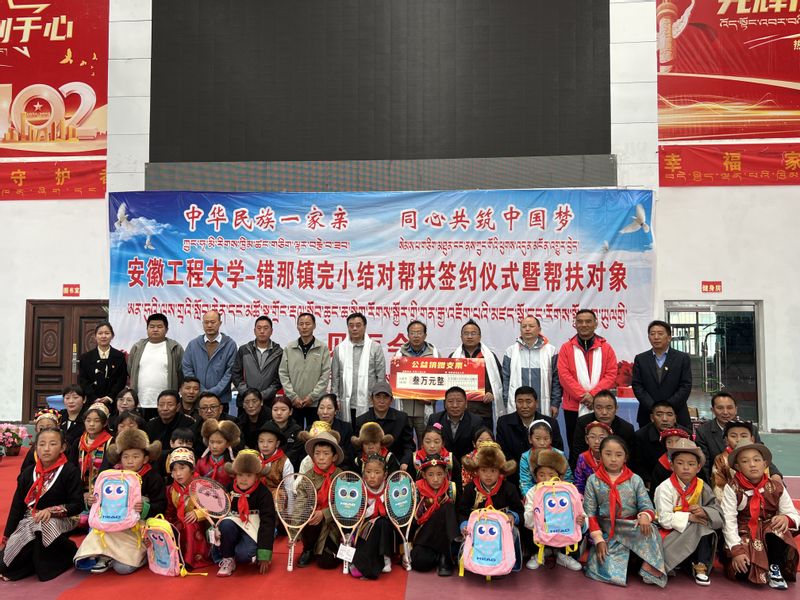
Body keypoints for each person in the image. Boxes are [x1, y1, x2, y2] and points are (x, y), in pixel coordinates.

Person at [73, 429, 165, 574]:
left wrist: (145, 508)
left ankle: (130, 555)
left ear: (145, 459)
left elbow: (161, 505)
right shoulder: (111, 476)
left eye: (136, 456)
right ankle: (106, 555)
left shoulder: (153, 477)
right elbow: (100, 499)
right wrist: (92, 501)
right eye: (125, 456)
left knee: (122, 568)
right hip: (110, 524)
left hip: (136, 528)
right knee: (98, 528)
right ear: (120, 458)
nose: (130, 461)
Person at [583, 436, 667, 587]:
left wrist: (645, 516)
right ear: (600, 455)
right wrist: (599, 540)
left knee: (651, 530)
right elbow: (590, 513)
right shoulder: (593, 480)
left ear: (625, 457)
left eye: (618, 454)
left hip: (630, 526)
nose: (613, 459)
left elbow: (647, 506)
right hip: (608, 529)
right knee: (605, 569)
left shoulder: (635, 480)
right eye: (608, 454)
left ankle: (649, 569)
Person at [0, 429, 83, 581]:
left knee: (42, 527)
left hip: (63, 518)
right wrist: (7, 536)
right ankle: (31, 563)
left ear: (63, 447)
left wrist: (52, 511)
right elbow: (17, 506)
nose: (46, 449)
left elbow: (77, 505)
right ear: (35, 447)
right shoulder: (28, 473)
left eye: (53, 444)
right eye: (42, 444)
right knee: (8, 557)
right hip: (32, 518)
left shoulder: (70, 471)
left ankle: (54, 561)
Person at [721, 442, 799, 589]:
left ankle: (775, 566)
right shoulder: (732, 488)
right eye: (745, 461)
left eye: (756, 460)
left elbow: (793, 513)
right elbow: (728, 520)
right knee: (742, 572)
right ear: (737, 466)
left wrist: (786, 518)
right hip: (744, 531)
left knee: (778, 526)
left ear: (765, 464)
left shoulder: (776, 487)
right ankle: (758, 564)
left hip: (768, 530)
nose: (752, 465)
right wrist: (737, 551)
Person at [654, 439, 722, 586]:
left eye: (691, 464)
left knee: (703, 525)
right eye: (680, 463)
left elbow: (716, 510)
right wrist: (690, 517)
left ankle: (700, 566)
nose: (686, 468)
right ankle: (685, 563)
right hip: (670, 532)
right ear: (672, 465)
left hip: (695, 529)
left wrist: (704, 511)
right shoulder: (664, 488)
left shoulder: (702, 486)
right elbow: (664, 519)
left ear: (698, 467)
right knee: (699, 526)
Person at [458, 441, 524, 570]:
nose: (488, 475)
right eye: (484, 470)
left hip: (502, 532)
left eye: (493, 471)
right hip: (478, 530)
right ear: (477, 471)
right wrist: (464, 525)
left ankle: (507, 564)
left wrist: (513, 516)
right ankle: (472, 562)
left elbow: (519, 510)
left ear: (500, 472)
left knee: (514, 531)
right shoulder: (471, 489)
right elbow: (462, 511)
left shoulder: (509, 488)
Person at [557, 309, 618, 445]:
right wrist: (584, 396)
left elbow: (611, 374)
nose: (584, 325)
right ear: (575, 324)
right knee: (575, 444)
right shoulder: (566, 348)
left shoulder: (606, 348)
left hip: (600, 407)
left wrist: (593, 395)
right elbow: (564, 375)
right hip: (573, 407)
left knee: (601, 444)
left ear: (596, 324)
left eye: (588, 321)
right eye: (580, 321)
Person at [215, 450, 276, 577]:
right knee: (226, 524)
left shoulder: (264, 494)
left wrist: (264, 553)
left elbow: (267, 522)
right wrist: (215, 527)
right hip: (232, 526)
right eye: (240, 474)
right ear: (235, 475)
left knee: (244, 555)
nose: (243, 479)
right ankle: (228, 558)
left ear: (257, 476)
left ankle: (247, 550)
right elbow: (219, 510)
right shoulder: (229, 489)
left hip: (254, 528)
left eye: (249, 475)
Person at [523, 449, 584, 571]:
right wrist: (536, 511)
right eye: (542, 475)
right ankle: (539, 553)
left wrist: (581, 520)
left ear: (559, 477)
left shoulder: (568, 491)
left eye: (551, 475)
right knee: (526, 526)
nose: (546, 479)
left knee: (577, 526)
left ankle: (564, 554)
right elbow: (527, 522)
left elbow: (580, 512)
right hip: (541, 532)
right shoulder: (532, 492)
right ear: (536, 477)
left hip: (562, 532)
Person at [496, 386, 562, 486]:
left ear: (536, 403)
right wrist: (523, 472)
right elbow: (502, 453)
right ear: (515, 403)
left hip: (546, 478)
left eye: (528, 401)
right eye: (520, 401)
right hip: (513, 477)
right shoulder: (504, 423)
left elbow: (557, 452)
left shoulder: (551, 423)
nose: (524, 406)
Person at [297, 431, 345, 569]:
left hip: (333, 525)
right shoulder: (307, 477)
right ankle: (308, 548)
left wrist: (324, 513)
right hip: (312, 523)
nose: (321, 458)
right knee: (310, 514)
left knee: (326, 562)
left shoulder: (341, 476)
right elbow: (300, 503)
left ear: (334, 457)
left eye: (326, 453)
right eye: (317, 453)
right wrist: (294, 531)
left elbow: (345, 505)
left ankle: (328, 548)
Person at [631, 320, 693, 428]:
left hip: (677, 414)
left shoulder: (682, 358)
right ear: (649, 337)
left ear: (669, 337)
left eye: (660, 333)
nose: (656, 337)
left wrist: (668, 407)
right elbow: (637, 386)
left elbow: (685, 386)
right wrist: (654, 408)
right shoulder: (641, 359)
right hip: (648, 415)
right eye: (652, 334)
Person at [695, 392, 767, 480]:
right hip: (718, 479)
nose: (725, 412)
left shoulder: (750, 429)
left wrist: (776, 474)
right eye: (720, 408)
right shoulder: (703, 431)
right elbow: (704, 466)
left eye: (729, 408)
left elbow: (762, 454)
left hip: (751, 480)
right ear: (712, 410)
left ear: (736, 409)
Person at [278, 312, 332, 430]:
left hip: (315, 403)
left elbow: (325, 375)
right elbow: (283, 373)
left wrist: (312, 397)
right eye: (301, 324)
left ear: (314, 326)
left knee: (315, 434)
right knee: (294, 435)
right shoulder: (289, 348)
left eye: (308, 324)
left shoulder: (322, 348)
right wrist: (293, 397)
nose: (304, 327)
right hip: (294, 403)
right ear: (297, 326)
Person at [331, 312, 386, 424]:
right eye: (351, 326)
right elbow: (335, 377)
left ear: (365, 327)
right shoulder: (339, 349)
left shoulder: (375, 348)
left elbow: (380, 377)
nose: (354, 328)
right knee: (347, 432)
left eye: (358, 325)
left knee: (367, 433)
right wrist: (335, 399)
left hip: (369, 403)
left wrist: (379, 398)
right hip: (346, 403)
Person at [502, 315, 561, 418]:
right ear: (520, 330)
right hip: (518, 406)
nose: (527, 329)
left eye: (531, 326)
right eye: (524, 326)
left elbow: (556, 380)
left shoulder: (551, 351)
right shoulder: (511, 351)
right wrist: (507, 401)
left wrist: (555, 403)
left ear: (539, 329)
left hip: (543, 405)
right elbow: (505, 379)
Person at [127, 313, 184, 419]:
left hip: (166, 405)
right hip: (140, 402)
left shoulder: (175, 348)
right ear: (147, 329)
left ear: (166, 329)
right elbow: (130, 370)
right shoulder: (137, 347)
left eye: (159, 326)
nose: (155, 329)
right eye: (152, 326)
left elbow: (181, 372)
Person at [450, 319, 504, 429]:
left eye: (473, 333)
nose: (469, 337)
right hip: (459, 412)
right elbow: (447, 382)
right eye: (466, 333)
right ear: (461, 337)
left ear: (480, 337)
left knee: (484, 439)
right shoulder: (453, 357)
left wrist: (492, 393)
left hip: (483, 411)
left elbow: (500, 380)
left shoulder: (489, 357)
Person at [411, 454, 459, 576]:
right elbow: (412, 518)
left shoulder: (450, 488)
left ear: (445, 474)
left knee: (448, 507)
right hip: (424, 532)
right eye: (431, 475)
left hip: (445, 534)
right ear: (424, 475)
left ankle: (445, 556)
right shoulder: (416, 488)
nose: (436, 479)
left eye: (439, 474)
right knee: (420, 562)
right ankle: (440, 555)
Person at [349, 454, 396, 579]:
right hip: (363, 531)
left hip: (385, 531)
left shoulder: (390, 488)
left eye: (377, 472)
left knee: (382, 522)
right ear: (363, 473)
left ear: (385, 475)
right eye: (368, 472)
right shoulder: (358, 488)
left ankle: (386, 557)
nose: (372, 476)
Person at [712, 420, 781, 504]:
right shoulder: (721, 459)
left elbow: (767, 481)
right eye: (733, 436)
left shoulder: (760, 456)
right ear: (726, 440)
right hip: (733, 501)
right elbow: (719, 487)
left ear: (752, 439)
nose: (738, 440)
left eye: (744, 436)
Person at [394, 320, 440, 443]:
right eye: (412, 333)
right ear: (408, 335)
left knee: (426, 442)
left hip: (424, 409)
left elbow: (440, 381)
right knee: (404, 443)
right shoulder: (399, 355)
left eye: (419, 333)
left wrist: (431, 399)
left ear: (425, 335)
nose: (416, 336)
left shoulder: (434, 355)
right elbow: (395, 379)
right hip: (405, 408)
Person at [165, 447, 211, 569]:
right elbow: (170, 511)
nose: (178, 473)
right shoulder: (171, 490)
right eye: (174, 470)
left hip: (202, 523)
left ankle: (192, 559)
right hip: (181, 521)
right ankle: (177, 557)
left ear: (192, 469)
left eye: (182, 468)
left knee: (189, 524)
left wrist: (198, 513)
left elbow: (215, 508)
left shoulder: (202, 485)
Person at [182, 310, 237, 412]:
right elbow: (187, 369)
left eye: (213, 322)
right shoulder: (193, 345)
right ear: (202, 324)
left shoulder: (230, 345)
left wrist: (214, 392)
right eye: (206, 322)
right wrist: (200, 390)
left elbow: (230, 372)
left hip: (221, 400)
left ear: (220, 323)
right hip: (197, 399)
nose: (209, 325)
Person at [354, 381, 415, 471]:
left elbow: (408, 446)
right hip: (369, 466)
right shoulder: (361, 421)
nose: (381, 401)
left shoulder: (402, 418)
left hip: (396, 465)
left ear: (391, 400)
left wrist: (404, 462)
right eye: (378, 397)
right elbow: (357, 449)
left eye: (385, 397)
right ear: (371, 399)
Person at [69, 403, 113, 524]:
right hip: (80, 492)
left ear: (104, 423)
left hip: (101, 493)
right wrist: (80, 493)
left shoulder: (110, 442)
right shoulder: (79, 442)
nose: (91, 424)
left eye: (96, 421)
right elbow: (72, 467)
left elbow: (108, 470)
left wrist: (94, 493)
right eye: (88, 420)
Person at [569, 390, 636, 468]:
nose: (604, 412)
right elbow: (577, 453)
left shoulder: (626, 429)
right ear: (593, 408)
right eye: (599, 408)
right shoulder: (583, 423)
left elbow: (629, 460)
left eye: (609, 408)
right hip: (588, 469)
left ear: (616, 408)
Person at [631, 401, 690, 488]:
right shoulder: (641, 436)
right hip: (652, 482)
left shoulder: (686, 434)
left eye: (669, 414)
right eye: (659, 414)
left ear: (675, 418)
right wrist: (649, 482)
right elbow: (637, 465)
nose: (665, 419)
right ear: (652, 417)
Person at [232, 316, 283, 412]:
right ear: (254, 331)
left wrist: (262, 395)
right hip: (245, 401)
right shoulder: (244, 350)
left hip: (268, 402)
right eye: (259, 328)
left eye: (266, 328)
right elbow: (236, 374)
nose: (262, 331)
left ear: (271, 331)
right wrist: (248, 394)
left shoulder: (279, 352)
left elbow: (279, 379)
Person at [426, 386, 483, 463]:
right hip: (441, 464)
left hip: (468, 464)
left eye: (459, 401)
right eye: (450, 401)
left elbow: (479, 448)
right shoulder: (435, 419)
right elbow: (428, 443)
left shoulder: (476, 421)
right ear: (445, 404)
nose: (455, 405)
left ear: (466, 404)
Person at [78, 321, 127, 406]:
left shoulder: (119, 356)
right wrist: (93, 398)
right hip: (91, 402)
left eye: (107, 333)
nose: (103, 336)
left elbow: (121, 379)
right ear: (95, 336)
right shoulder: (85, 358)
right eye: (100, 333)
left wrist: (110, 397)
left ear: (112, 336)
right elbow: (83, 381)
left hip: (113, 401)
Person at [519, 420, 572, 495]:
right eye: (537, 439)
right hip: (535, 495)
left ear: (551, 439)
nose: (542, 443)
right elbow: (525, 483)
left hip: (558, 493)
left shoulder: (559, 454)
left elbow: (568, 479)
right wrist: (531, 497)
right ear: (530, 439)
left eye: (546, 439)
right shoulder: (525, 457)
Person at [648, 428, 692, 496]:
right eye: (669, 442)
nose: (673, 445)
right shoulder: (660, 466)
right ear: (665, 445)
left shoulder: (693, 461)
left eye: (678, 441)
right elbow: (655, 491)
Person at [196, 418, 240, 486]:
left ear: (228, 444)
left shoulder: (234, 464)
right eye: (211, 442)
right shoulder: (201, 462)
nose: (214, 446)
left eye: (219, 442)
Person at [316, 393, 355, 469]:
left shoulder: (346, 428)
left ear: (335, 411)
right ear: (317, 411)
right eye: (322, 408)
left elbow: (349, 457)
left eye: (329, 408)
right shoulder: (310, 430)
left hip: (339, 470)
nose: (325, 412)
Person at [19, 409, 63, 474]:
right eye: (41, 428)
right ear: (36, 430)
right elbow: (24, 472)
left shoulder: (62, 447)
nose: (45, 431)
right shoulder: (34, 450)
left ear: (57, 428)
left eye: (49, 427)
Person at [255, 421, 293, 496]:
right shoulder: (255, 459)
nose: (265, 445)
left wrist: (290, 504)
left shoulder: (285, 462)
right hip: (257, 497)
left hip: (276, 499)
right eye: (261, 441)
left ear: (277, 444)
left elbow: (290, 489)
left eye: (270, 442)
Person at [192, 392, 235, 456]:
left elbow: (237, 447)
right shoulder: (194, 427)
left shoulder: (233, 423)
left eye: (213, 407)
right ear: (199, 412)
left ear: (220, 409)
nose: (209, 411)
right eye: (204, 408)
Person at [574, 420, 611, 495]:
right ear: (586, 439)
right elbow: (579, 483)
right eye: (592, 437)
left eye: (601, 437)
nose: (597, 441)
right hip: (588, 496)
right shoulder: (583, 458)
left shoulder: (612, 458)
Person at [268, 394, 304, 470]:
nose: (279, 413)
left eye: (283, 410)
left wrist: (279, 464)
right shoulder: (266, 428)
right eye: (275, 410)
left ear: (290, 412)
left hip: (291, 468)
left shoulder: (297, 430)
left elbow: (294, 454)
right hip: (268, 467)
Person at [59, 384, 87, 448]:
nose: (71, 401)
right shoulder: (59, 415)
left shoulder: (88, 417)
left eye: (75, 397)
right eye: (67, 398)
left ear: (84, 399)